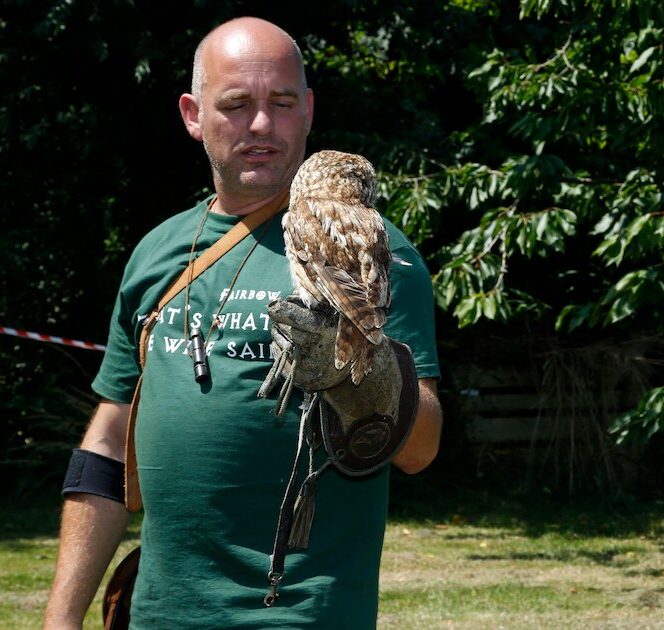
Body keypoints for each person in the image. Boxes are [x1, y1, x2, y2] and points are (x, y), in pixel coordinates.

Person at [41, 17, 443, 629]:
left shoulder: (371, 249)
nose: (262, 124)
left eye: (282, 103)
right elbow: (107, 441)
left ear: (307, 110)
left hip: (300, 614)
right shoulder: (157, 252)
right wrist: (62, 615)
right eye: (236, 104)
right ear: (192, 114)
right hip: (162, 615)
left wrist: (363, 374)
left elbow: (422, 447)